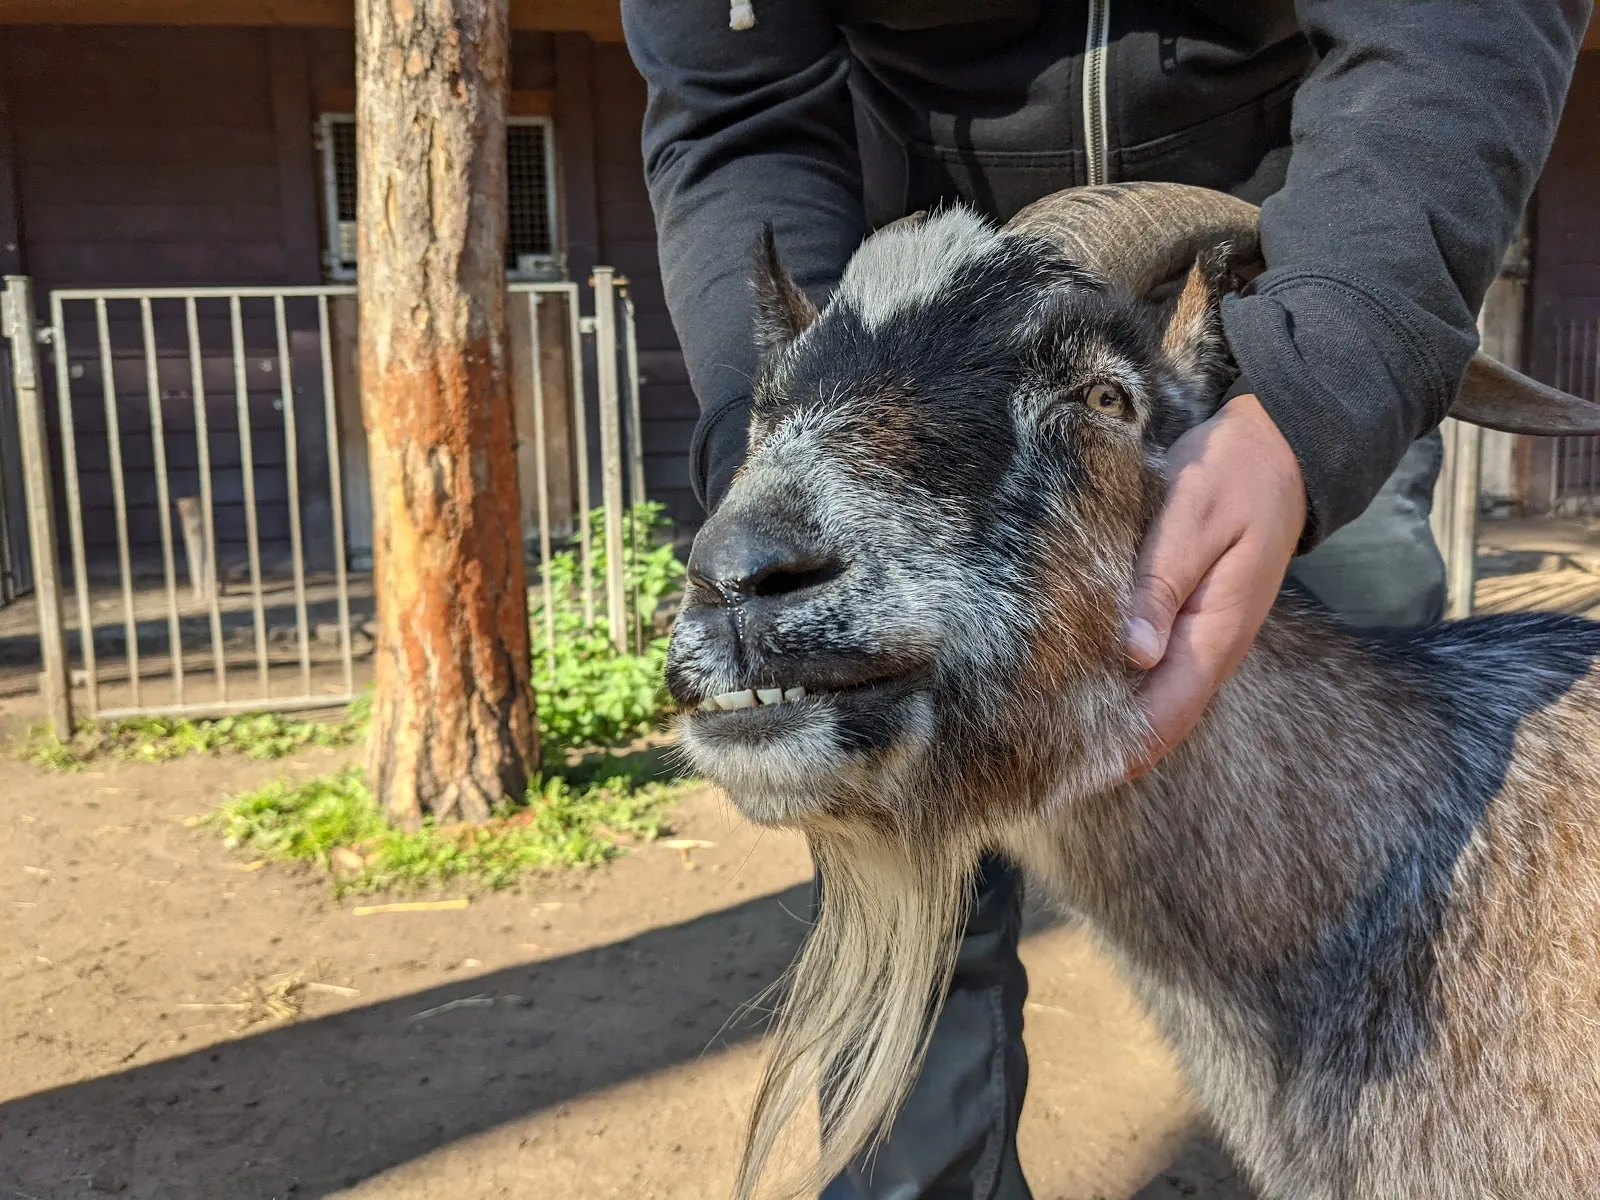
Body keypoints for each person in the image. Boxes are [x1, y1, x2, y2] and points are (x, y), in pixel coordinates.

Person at [619, 3, 1591, 1196]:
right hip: (898, 277)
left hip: (1296, 263)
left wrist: (1328, 370)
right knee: (910, 863)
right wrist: (766, 421)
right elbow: (734, 111)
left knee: (1372, 771)